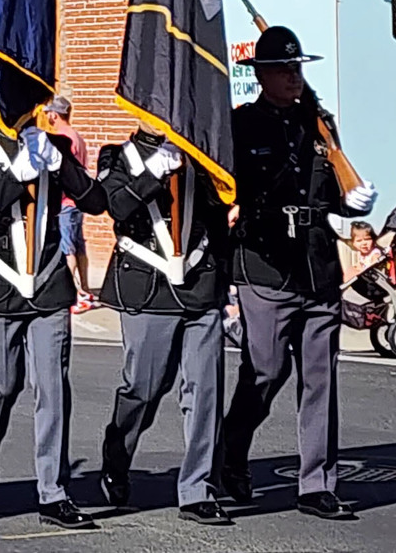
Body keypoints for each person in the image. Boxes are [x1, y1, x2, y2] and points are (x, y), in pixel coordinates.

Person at [219, 26, 377, 521]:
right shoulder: (242, 126)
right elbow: (231, 194)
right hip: (266, 265)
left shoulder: (320, 125)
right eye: (283, 69)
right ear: (262, 75)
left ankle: (317, 484)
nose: (293, 77)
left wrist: (353, 204)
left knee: (320, 379)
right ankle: (231, 450)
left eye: (297, 69)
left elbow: (332, 190)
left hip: (317, 264)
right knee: (266, 371)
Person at [0, 110, 109, 529]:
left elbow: (96, 202)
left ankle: (53, 492)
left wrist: (61, 165)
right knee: (2, 386)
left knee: (52, 388)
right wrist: (10, 179)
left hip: (48, 282)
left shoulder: (52, 146)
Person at [96, 128, 234, 525]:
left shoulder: (200, 154)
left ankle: (198, 488)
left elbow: (218, 214)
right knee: (144, 387)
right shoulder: (117, 156)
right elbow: (117, 206)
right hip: (147, 285)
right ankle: (117, 458)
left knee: (205, 390)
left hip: (200, 282)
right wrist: (153, 172)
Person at [43, 95, 97, 314]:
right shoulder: (77, 137)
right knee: (79, 245)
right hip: (78, 202)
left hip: (66, 201)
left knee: (68, 249)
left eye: (48, 113)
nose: (47, 116)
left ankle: (74, 293)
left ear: (55, 115)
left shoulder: (62, 139)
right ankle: (85, 289)